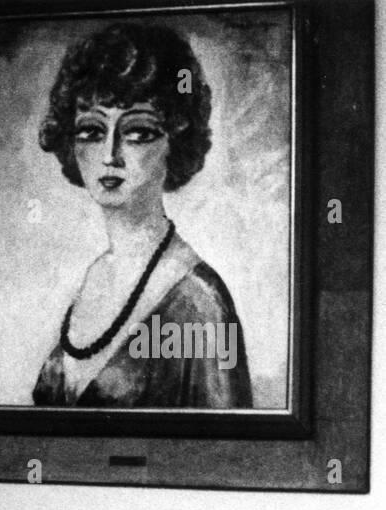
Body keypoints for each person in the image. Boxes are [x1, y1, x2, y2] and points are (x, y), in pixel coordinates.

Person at [32, 22, 252, 408]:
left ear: (176, 141)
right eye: (91, 131)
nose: (110, 155)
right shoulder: (95, 276)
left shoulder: (201, 301)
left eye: (138, 133)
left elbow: (227, 455)